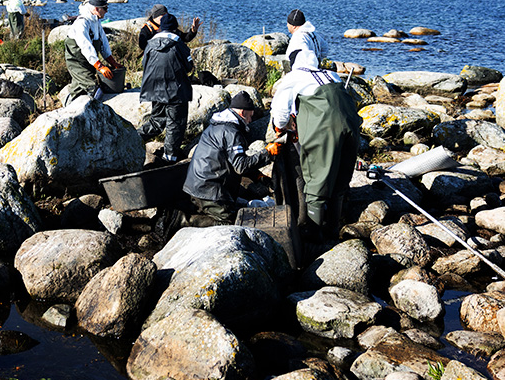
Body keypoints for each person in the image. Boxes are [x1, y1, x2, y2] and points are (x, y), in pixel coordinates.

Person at [269, 61, 361, 243]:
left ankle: (313, 238)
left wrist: (281, 128)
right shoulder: (331, 75)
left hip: (325, 127)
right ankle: (333, 232)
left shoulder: (293, 77)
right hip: (351, 123)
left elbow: (279, 113)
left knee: (315, 184)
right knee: (339, 181)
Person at [182, 91, 273, 225]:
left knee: (239, 207)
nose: (251, 120)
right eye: (250, 116)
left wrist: (257, 176)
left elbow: (233, 160)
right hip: (208, 190)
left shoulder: (218, 125)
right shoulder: (232, 132)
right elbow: (240, 166)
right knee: (230, 223)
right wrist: (267, 153)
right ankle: (186, 222)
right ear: (242, 112)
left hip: (197, 185)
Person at [140, 13, 193, 162]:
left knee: (156, 121)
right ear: (175, 28)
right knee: (175, 124)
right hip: (176, 91)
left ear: (161, 28)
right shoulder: (179, 45)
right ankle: (170, 158)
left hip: (154, 89)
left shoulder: (149, 45)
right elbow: (189, 67)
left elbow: (145, 65)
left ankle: (134, 138)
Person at [64, 0, 121, 100]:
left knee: (78, 90)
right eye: (105, 8)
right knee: (93, 88)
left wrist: (112, 62)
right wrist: (100, 67)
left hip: (88, 61)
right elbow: (86, 46)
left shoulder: (96, 20)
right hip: (76, 61)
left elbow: (104, 43)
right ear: (96, 8)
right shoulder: (82, 22)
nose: (106, 11)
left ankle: (72, 108)